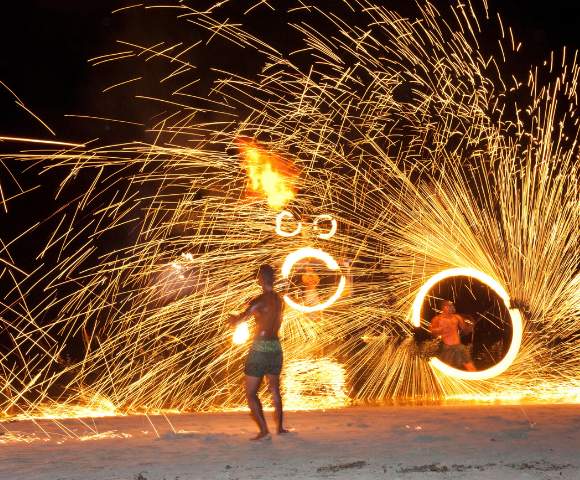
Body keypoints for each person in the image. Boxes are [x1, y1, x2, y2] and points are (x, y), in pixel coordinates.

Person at [229, 264, 290, 440]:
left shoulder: (258, 301)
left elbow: (241, 319)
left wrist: (233, 319)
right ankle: (279, 428)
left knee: (250, 392)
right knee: (275, 389)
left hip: (260, 348)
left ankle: (264, 431)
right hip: (275, 348)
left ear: (260, 280)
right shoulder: (280, 301)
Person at [429, 300, 476, 371]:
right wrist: (439, 330)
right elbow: (432, 331)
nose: (452, 307)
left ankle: (476, 380)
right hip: (447, 348)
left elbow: (465, 330)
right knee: (446, 370)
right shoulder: (438, 319)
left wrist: (470, 327)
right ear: (444, 307)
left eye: (452, 306)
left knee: (470, 366)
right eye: (449, 306)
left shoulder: (457, 317)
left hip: (459, 347)